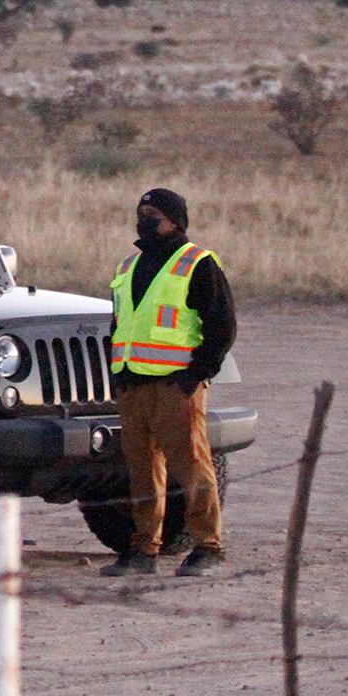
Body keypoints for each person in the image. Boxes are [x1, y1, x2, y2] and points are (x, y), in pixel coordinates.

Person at [101, 187, 236, 578]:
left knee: (191, 465)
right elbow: (121, 323)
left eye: (153, 214)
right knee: (141, 470)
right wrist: (119, 374)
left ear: (176, 221)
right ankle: (143, 549)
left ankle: (208, 546)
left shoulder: (198, 263)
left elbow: (222, 327)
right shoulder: (128, 266)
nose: (143, 220)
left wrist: (196, 374)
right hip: (132, 385)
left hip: (176, 385)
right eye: (141, 212)